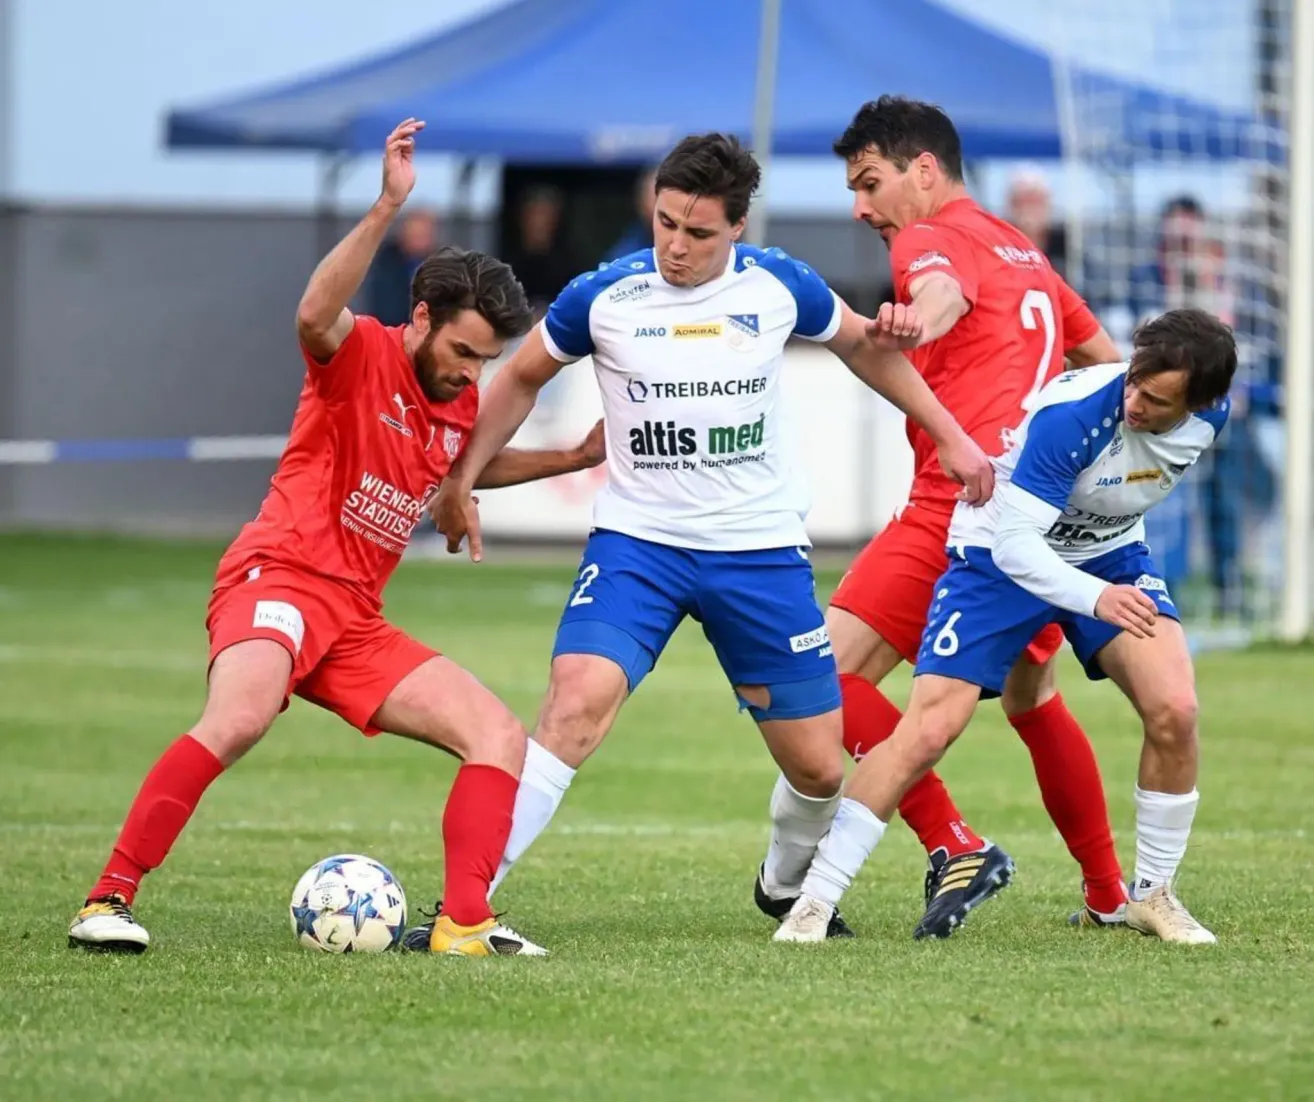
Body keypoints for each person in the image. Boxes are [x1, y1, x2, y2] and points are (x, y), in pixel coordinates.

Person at [428, 132, 992, 941]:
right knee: (574, 706)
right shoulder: (606, 295)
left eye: (698, 233)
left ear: (738, 228)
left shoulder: (778, 285)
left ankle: (782, 881)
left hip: (757, 553)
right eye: (665, 224)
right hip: (639, 545)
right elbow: (520, 375)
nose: (676, 247)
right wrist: (460, 479)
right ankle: (465, 910)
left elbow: (869, 350)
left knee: (820, 765)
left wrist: (951, 434)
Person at [67, 119, 606, 959]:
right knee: (240, 716)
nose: (473, 373)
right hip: (276, 578)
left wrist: (570, 456)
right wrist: (388, 206)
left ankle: (464, 924)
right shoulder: (361, 355)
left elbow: (460, 468)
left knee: (497, 735)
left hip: (353, 618)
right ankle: (107, 898)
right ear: (421, 318)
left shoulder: (458, 398)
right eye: (463, 351)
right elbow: (316, 313)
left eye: (487, 360)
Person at [776, 308, 1236, 946]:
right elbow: (1020, 548)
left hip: (1108, 554)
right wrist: (1098, 600)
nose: (1133, 401)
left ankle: (1151, 895)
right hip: (1001, 554)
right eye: (1132, 382)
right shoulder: (1074, 417)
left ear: (1204, 403)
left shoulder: (1212, 419)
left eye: (1155, 399)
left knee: (1176, 709)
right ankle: (813, 905)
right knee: (930, 729)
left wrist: (1104, 582)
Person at [824, 96, 1127, 939]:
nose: (861, 208)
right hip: (1039, 507)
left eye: (870, 182)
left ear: (925, 171)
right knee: (1034, 698)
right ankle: (1108, 894)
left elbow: (940, 295)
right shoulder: (1024, 249)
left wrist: (915, 321)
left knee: (810, 672)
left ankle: (953, 842)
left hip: (958, 505)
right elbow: (1108, 367)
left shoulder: (933, 238)